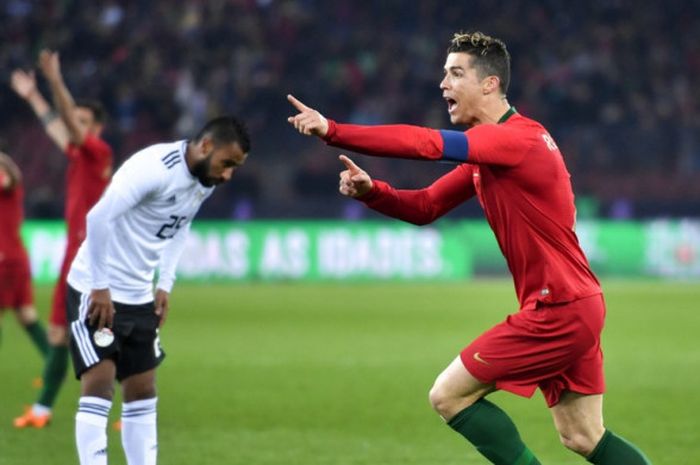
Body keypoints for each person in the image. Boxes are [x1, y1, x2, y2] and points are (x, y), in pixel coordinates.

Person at [287, 31, 652, 465]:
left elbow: (427, 144)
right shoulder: (492, 154)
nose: (443, 84)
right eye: (444, 74)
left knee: (448, 395)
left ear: (489, 84)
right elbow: (426, 206)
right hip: (578, 303)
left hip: (559, 309)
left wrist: (333, 130)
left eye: (455, 73)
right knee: (583, 435)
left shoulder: (517, 140)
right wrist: (372, 191)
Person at [65, 116, 250, 465]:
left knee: (142, 390)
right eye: (227, 164)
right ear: (206, 146)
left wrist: (164, 282)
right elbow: (98, 218)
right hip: (96, 288)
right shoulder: (153, 168)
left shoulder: (204, 181)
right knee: (99, 386)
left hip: (139, 294)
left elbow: (181, 225)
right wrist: (100, 286)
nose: (227, 175)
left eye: (235, 168)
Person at [10, 49, 113, 428]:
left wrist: (54, 81)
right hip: (74, 254)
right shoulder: (78, 153)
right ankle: (42, 410)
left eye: (83, 122)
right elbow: (58, 128)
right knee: (58, 334)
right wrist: (33, 96)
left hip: (94, 257)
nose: (75, 126)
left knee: (104, 337)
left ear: (96, 127)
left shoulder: (99, 151)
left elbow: (65, 121)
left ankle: (134, 401)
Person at [0, 151, 49, 364]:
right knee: (26, 314)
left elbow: (8, 179)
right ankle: (55, 361)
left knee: (25, 313)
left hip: (5, 260)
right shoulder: (12, 187)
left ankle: (55, 362)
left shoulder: (8, 185)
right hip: (15, 258)